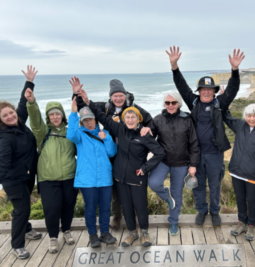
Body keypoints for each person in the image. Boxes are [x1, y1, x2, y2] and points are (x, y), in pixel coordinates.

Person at [166, 46, 245, 226]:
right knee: (198, 184)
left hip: (215, 154)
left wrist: (234, 70)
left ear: (214, 91)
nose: (206, 92)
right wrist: (174, 66)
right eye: (203, 89)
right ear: (199, 91)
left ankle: (215, 211)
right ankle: (202, 210)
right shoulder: (193, 102)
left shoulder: (220, 104)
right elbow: (181, 85)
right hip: (195, 154)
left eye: (210, 89)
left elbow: (232, 89)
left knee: (215, 185)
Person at [78, 88, 165, 247]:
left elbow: (160, 153)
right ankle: (132, 232)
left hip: (137, 177)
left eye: (133, 117)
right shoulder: (119, 129)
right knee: (126, 207)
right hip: (120, 177)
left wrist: (145, 168)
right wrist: (87, 101)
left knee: (140, 206)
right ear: (123, 120)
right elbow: (101, 116)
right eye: (127, 117)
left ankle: (144, 232)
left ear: (138, 120)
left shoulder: (144, 135)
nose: (130, 120)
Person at [69, 77, 152, 230]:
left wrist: (149, 130)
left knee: (133, 185)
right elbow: (85, 109)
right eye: (115, 96)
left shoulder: (134, 108)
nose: (118, 98)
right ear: (111, 97)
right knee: (115, 187)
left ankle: (133, 214)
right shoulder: (105, 107)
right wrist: (76, 94)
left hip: (131, 154)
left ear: (125, 95)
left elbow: (150, 121)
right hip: (111, 152)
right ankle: (117, 215)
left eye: (121, 95)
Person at [26, 82, 78, 254]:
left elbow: (76, 116)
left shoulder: (70, 132)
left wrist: (76, 95)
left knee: (68, 207)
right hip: (48, 178)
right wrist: (32, 103)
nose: (55, 117)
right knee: (51, 209)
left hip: (70, 176)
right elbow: (34, 120)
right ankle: (53, 237)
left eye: (58, 114)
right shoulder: (43, 133)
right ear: (48, 118)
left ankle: (67, 231)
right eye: (52, 115)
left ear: (63, 116)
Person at [0, 66, 42, 259]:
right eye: (5, 116)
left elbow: (22, 103)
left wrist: (29, 82)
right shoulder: (5, 138)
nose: (10, 116)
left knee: (24, 207)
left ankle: (26, 229)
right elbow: (3, 163)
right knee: (22, 209)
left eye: (11, 112)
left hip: (25, 175)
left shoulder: (19, 123)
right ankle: (17, 245)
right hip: (13, 180)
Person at [67, 99, 118, 248]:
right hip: (86, 180)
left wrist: (107, 139)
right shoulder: (79, 135)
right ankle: (92, 234)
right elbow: (70, 134)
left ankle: (104, 232)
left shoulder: (104, 133)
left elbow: (112, 152)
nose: (89, 123)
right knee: (90, 208)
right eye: (85, 120)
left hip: (105, 179)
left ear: (96, 119)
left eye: (91, 119)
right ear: (82, 122)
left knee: (105, 207)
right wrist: (73, 113)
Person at [148, 92, 200, 235]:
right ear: (164, 104)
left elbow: (194, 144)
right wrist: (146, 129)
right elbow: (149, 136)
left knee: (177, 193)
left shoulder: (187, 119)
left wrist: (193, 164)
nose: (170, 105)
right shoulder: (157, 119)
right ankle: (166, 196)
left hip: (182, 163)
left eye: (173, 103)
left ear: (179, 104)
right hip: (163, 161)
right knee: (153, 183)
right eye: (167, 103)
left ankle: (173, 222)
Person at [223, 103, 255, 240]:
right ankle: (242, 222)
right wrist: (226, 101)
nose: (251, 118)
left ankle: (252, 226)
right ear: (245, 116)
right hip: (236, 171)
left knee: (251, 200)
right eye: (249, 115)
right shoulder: (240, 125)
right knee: (240, 198)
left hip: (253, 173)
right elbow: (226, 117)